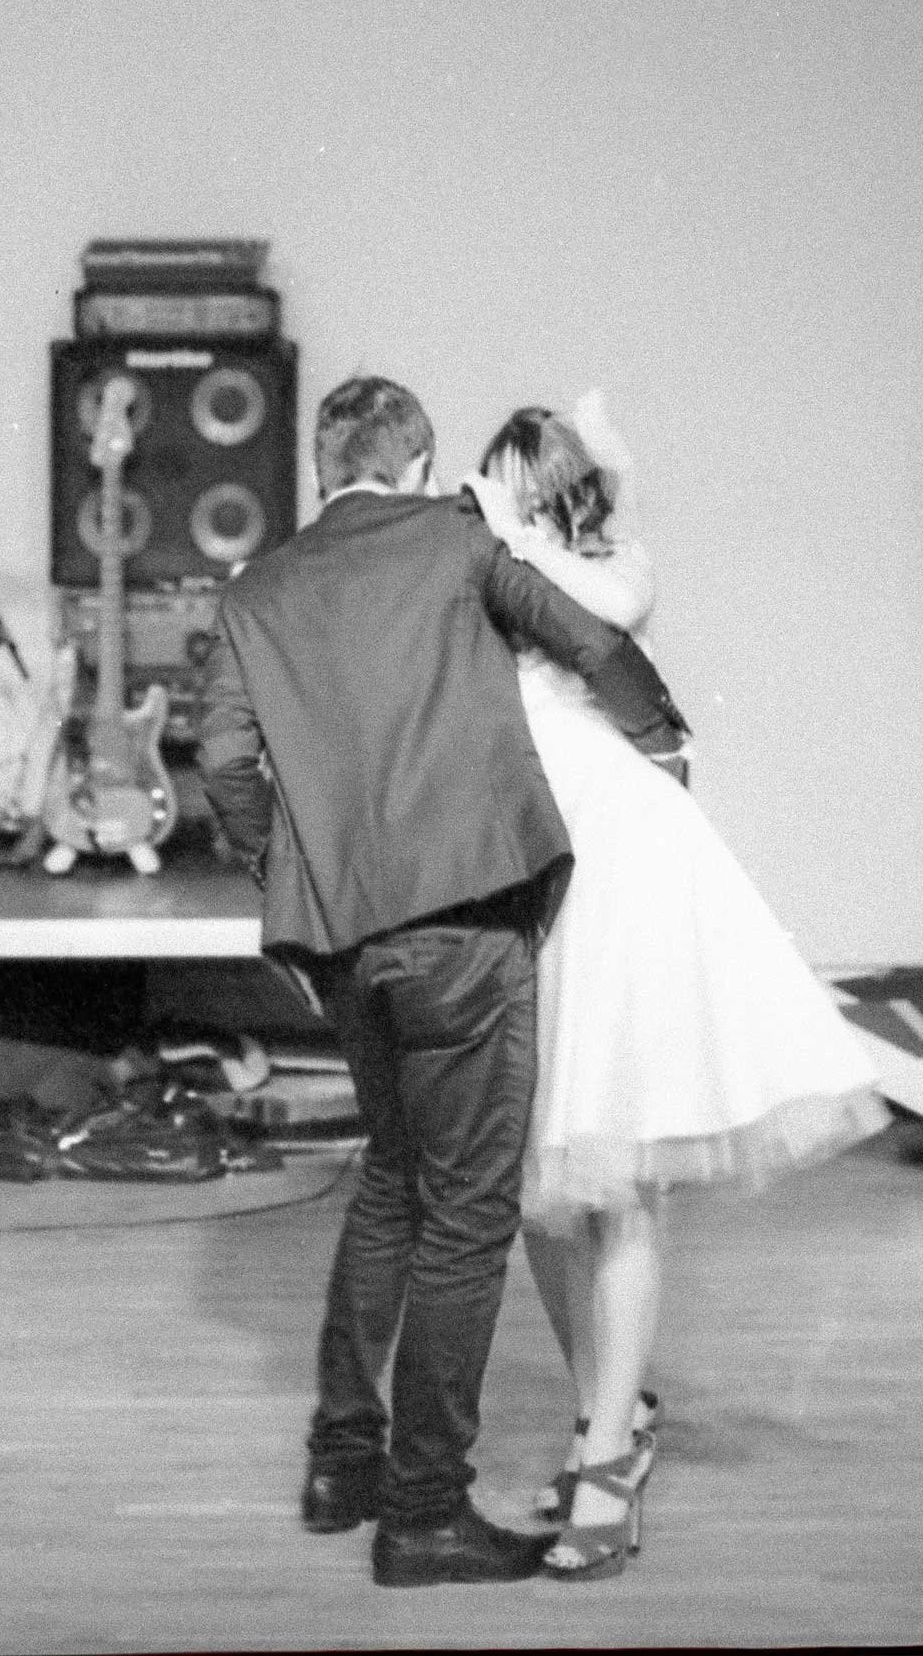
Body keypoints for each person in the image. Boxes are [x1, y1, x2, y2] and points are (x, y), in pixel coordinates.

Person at [197, 375, 689, 1588]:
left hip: (348, 943)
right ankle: (421, 1510)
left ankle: (341, 1459)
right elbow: (591, 639)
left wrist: (283, 874)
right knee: (468, 1218)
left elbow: (223, 761)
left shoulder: (256, 590)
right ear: (420, 466)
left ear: (324, 473)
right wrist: (666, 740)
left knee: (393, 1184)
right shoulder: (458, 541)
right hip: (468, 928)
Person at [463, 393, 891, 1581]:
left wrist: (516, 536)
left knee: (617, 1168)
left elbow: (602, 616)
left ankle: (605, 1461)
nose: (494, 498)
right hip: (515, 854)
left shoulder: (608, 567)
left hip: (617, 858)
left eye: (514, 480)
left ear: (555, 492)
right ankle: (613, 1416)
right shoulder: (482, 571)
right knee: (536, 1185)